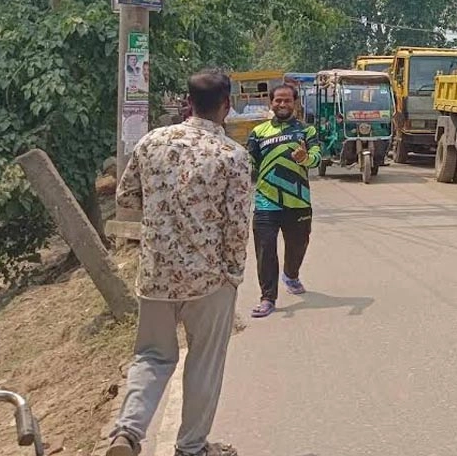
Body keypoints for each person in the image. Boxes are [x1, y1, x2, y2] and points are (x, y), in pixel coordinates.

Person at [107, 70, 253, 456]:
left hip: (155, 274)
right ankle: (191, 447)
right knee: (204, 362)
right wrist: (233, 277)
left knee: (151, 355)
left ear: (188, 102)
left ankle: (127, 432)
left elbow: (126, 197)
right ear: (227, 105)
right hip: (209, 278)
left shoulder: (152, 141)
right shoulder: (232, 156)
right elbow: (238, 225)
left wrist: (162, 221)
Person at [246, 84, 321, 318]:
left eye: (287, 100)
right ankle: (268, 297)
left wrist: (305, 158)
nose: (282, 104)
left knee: (297, 247)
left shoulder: (306, 132)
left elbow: (317, 159)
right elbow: (250, 165)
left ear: (295, 103)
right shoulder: (258, 132)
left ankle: (291, 274)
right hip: (266, 202)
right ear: (271, 103)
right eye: (278, 100)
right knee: (265, 249)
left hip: (298, 202)